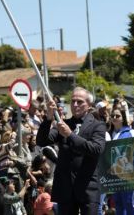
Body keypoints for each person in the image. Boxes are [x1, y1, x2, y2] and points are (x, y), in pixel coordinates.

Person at [37, 87, 106, 215]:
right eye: (73, 101)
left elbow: (96, 149)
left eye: (80, 102)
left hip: (88, 187)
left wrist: (70, 135)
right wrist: (48, 118)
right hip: (65, 187)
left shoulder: (98, 125)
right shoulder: (63, 123)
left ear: (89, 104)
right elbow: (42, 141)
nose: (75, 105)